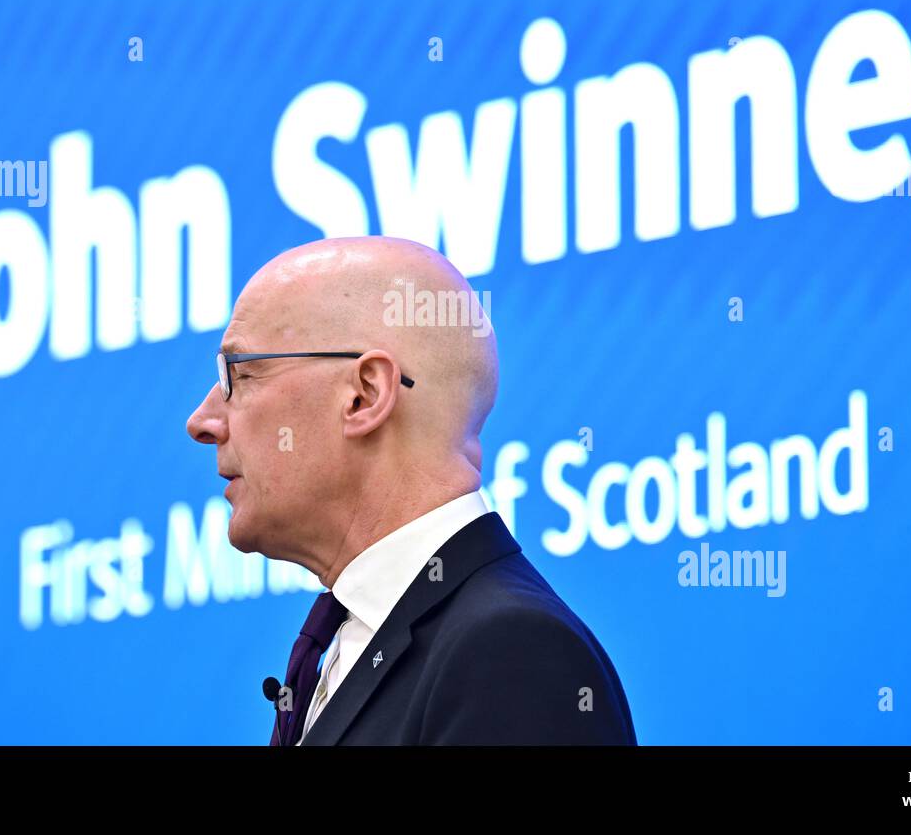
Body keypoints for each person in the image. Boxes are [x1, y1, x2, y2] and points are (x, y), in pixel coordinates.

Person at [185, 235, 637, 745]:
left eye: (240, 374)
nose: (202, 421)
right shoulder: (355, 647)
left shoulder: (509, 651)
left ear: (365, 395)